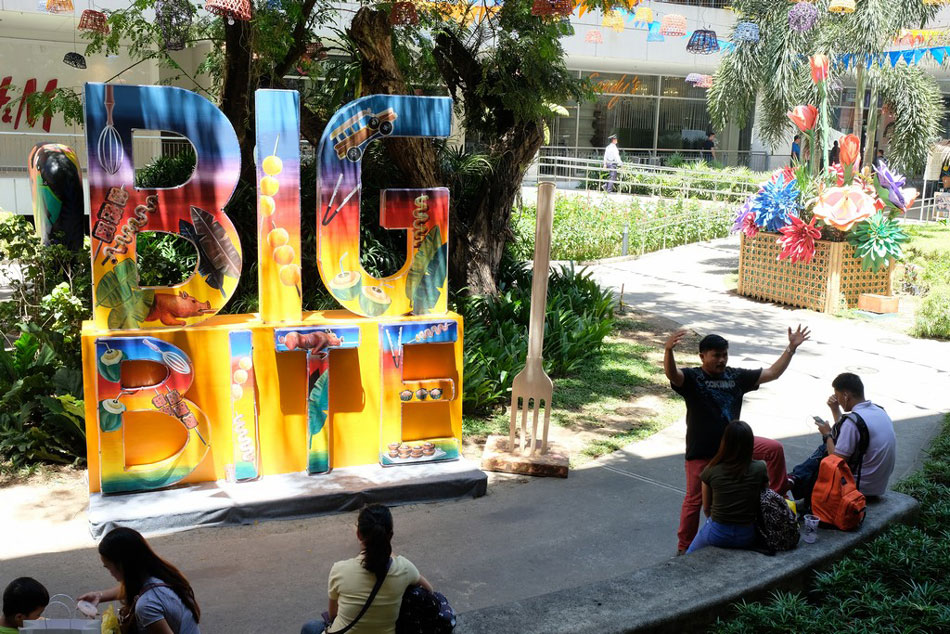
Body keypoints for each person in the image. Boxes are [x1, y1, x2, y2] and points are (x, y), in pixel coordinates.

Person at [665, 326, 810, 554]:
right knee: (694, 501)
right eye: (716, 355)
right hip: (702, 450)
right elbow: (673, 376)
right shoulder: (693, 378)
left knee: (773, 449)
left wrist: (791, 349)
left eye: (725, 354)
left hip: (735, 448)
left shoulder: (736, 376)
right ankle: (684, 548)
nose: (722, 360)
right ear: (702, 356)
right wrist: (668, 352)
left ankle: (776, 501)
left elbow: (772, 373)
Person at [301, 504, 434, 634]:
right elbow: (429, 590)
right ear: (391, 535)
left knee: (310, 627)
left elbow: (332, 616)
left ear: (358, 535)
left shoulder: (339, 569)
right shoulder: (404, 568)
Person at [787, 373, 896, 507]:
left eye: (838, 395)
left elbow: (836, 463)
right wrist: (835, 409)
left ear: (846, 396)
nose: (837, 399)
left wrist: (827, 435)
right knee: (831, 442)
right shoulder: (879, 411)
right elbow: (847, 433)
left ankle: (795, 478)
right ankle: (796, 477)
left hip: (859, 488)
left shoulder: (852, 423)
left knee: (826, 448)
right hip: (878, 485)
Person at [79, 527, 200, 634]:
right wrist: (100, 596)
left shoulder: (146, 606)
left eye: (108, 566)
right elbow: (132, 588)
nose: (109, 572)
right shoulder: (162, 575)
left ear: (122, 565)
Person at [686, 421, 768, 554]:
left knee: (689, 555)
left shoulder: (711, 470)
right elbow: (764, 498)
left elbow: (706, 508)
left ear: (724, 443)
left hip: (718, 532)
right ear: (750, 443)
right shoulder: (760, 468)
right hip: (747, 534)